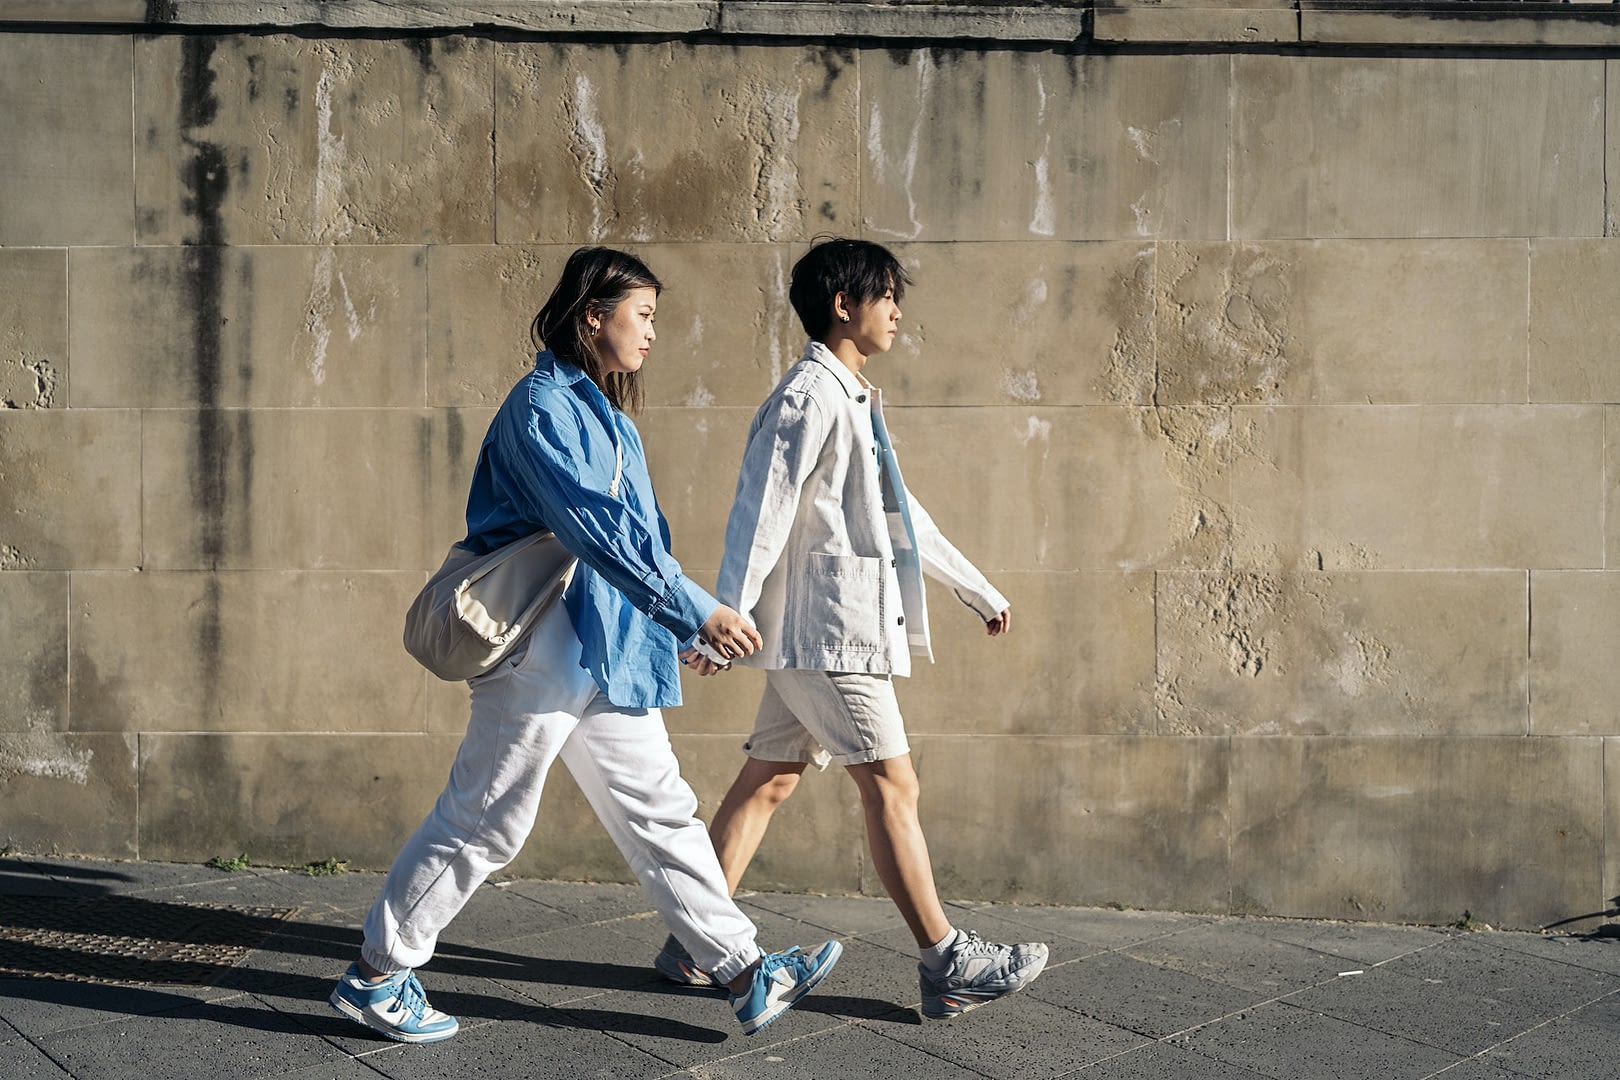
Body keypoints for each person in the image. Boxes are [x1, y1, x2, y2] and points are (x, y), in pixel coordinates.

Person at [329, 247, 840, 1044]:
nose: (653, 334)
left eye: (656, 320)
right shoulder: (541, 407)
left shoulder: (609, 417)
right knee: (489, 814)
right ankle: (378, 974)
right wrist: (693, 610)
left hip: (599, 648)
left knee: (660, 810)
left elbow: (638, 542)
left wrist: (677, 627)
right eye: (643, 316)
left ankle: (745, 970)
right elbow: (594, 529)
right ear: (593, 315)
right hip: (538, 642)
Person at [653, 238, 1046, 1020]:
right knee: (894, 784)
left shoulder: (852, 397)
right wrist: (717, 616)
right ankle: (948, 962)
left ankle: (693, 949)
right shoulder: (809, 396)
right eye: (887, 295)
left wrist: (976, 588)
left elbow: (901, 516)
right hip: (825, 636)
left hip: (823, 630)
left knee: (768, 783)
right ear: (844, 304)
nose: (898, 310)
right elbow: (758, 513)